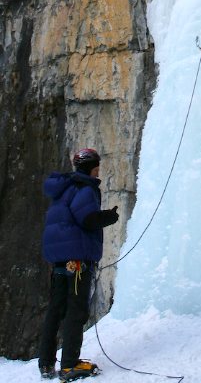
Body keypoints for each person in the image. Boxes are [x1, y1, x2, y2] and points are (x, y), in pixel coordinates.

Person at [38, 148, 119, 381]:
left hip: (60, 260)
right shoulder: (85, 187)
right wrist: (108, 217)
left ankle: (46, 363)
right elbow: (87, 219)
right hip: (77, 261)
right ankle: (69, 364)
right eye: (96, 167)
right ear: (90, 167)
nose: (98, 171)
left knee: (56, 309)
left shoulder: (64, 188)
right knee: (76, 310)